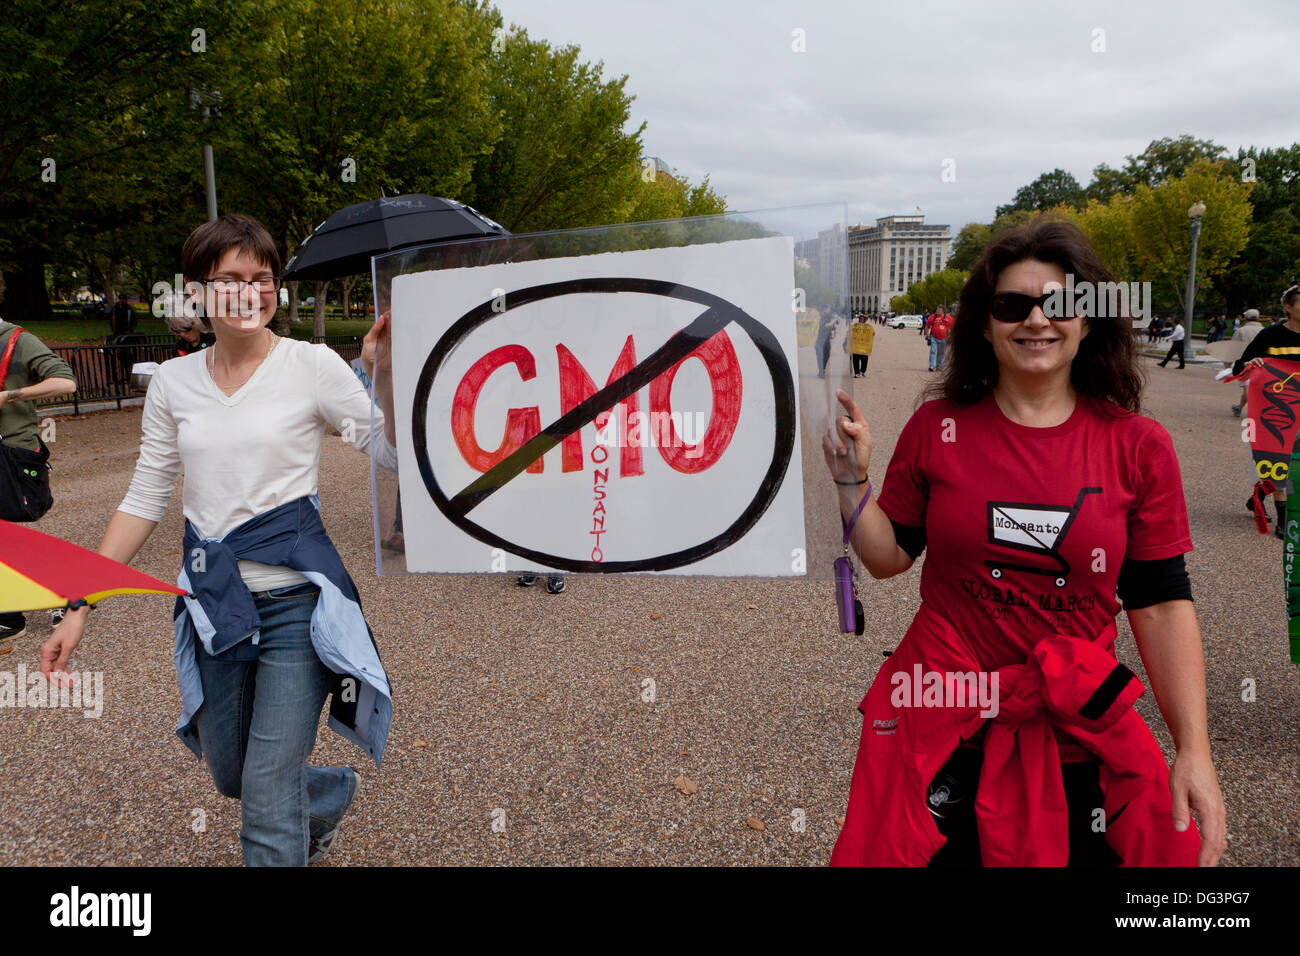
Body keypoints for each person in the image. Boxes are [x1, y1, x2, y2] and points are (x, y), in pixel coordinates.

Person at [824, 217, 1225, 867]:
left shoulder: (1138, 447)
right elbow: (886, 555)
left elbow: (1159, 601)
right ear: (983, 323)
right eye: (1012, 304)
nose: (1036, 320)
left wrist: (1194, 751)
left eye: (1060, 303)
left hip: (1075, 730)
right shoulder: (938, 427)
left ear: (1088, 318)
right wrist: (852, 482)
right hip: (945, 724)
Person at [43, 213, 398, 866]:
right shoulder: (175, 383)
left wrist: (384, 378)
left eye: (261, 278)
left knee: (264, 788)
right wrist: (78, 606)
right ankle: (327, 794)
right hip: (214, 604)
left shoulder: (311, 365)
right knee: (232, 772)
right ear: (197, 292)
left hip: (298, 605)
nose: (250, 291)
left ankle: (288, 818)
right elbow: (144, 498)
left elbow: (387, 451)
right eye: (230, 278)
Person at [0, 307, 78, 652]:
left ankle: (60, 592)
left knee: (8, 536)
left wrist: (9, 396)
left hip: (11, 453)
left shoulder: (18, 341)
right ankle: (12, 611)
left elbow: (66, 381)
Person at [1232, 288, 1300, 538]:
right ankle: (1284, 520)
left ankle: (1259, 494)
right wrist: (1253, 364)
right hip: (1274, 414)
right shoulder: (1271, 335)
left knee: (1295, 465)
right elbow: (1239, 367)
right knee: (1279, 462)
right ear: (1288, 308)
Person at [1230, 309, 1265, 417]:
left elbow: (1233, 347)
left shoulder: (1241, 331)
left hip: (1245, 361)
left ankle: (1240, 408)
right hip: (1261, 362)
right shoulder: (1265, 330)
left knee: (1246, 386)